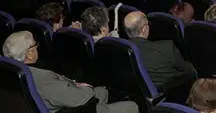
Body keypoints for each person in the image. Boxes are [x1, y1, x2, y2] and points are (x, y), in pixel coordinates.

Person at [2, 31, 138, 113]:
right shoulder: (41, 78)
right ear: (29, 54)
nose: (37, 46)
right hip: (75, 108)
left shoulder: (8, 72)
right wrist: (86, 88)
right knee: (131, 106)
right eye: (34, 45)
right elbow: (79, 99)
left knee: (103, 92)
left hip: (56, 102)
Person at [124, 11, 196, 91]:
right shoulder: (166, 48)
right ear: (145, 29)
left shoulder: (121, 50)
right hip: (170, 94)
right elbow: (189, 70)